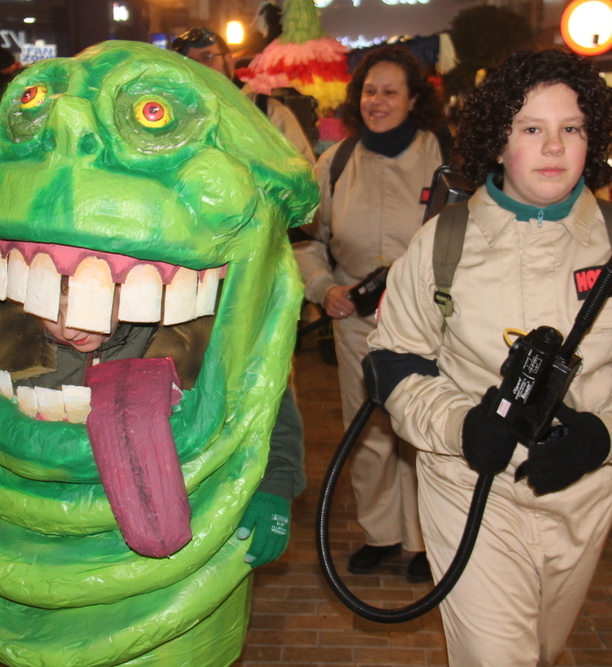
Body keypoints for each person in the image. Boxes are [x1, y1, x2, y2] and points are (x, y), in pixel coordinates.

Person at [366, 49, 612, 664]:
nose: (554, 147)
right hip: (465, 484)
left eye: (571, 128)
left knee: (543, 649)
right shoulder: (442, 241)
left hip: (584, 494)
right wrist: (460, 425)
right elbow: (394, 363)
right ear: (497, 141)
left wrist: (604, 435)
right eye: (532, 129)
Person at [0, 279, 306, 569]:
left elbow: (263, 398)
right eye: (53, 311)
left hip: (156, 530)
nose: (71, 327)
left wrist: (274, 485)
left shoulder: (183, 337)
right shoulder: (18, 335)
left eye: (87, 306)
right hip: (48, 538)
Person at [294, 45, 447, 583]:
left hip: (433, 327)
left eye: (390, 91)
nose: (377, 101)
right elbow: (305, 242)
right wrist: (323, 287)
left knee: (427, 432)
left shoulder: (447, 160)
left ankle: (432, 538)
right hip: (358, 322)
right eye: (369, 91)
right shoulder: (335, 162)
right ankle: (382, 534)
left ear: (414, 99)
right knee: (369, 431)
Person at [170, 26, 316, 164]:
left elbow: (304, 172)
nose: (199, 67)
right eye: (189, 62)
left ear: (228, 62)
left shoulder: (265, 111)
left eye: (207, 58)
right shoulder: (178, 117)